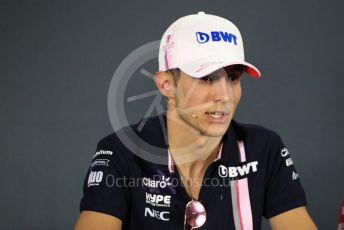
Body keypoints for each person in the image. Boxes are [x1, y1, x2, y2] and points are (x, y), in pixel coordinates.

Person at [74, 11, 317, 229]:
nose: (224, 96)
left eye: (233, 78)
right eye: (207, 78)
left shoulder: (263, 148)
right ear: (166, 84)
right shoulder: (121, 151)